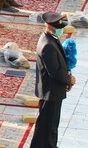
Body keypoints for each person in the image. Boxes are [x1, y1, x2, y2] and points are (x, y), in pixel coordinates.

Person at [31, 11, 73, 148]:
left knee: (46, 126)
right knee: (49, 128)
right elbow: (55, 72)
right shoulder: (47, 45)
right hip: (50, 92)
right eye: (59, 27)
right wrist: (69, 80)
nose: (61, 30)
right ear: (50, 26)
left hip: (52, 91)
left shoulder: (50, 38)